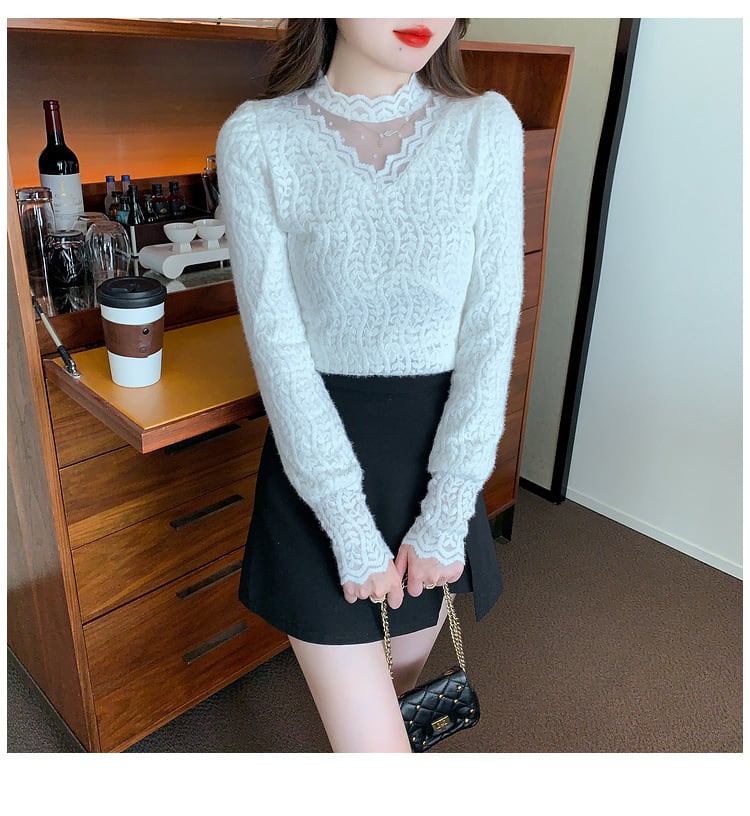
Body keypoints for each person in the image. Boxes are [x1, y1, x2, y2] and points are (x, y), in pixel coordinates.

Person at [216, 18, 524, 752]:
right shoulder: (258, 138)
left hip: (434, 472)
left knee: (393, 698)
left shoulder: (486, 128)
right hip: (319, 469)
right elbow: (278, 348)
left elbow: (490, 333)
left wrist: (446, 512)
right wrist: (347, 525)